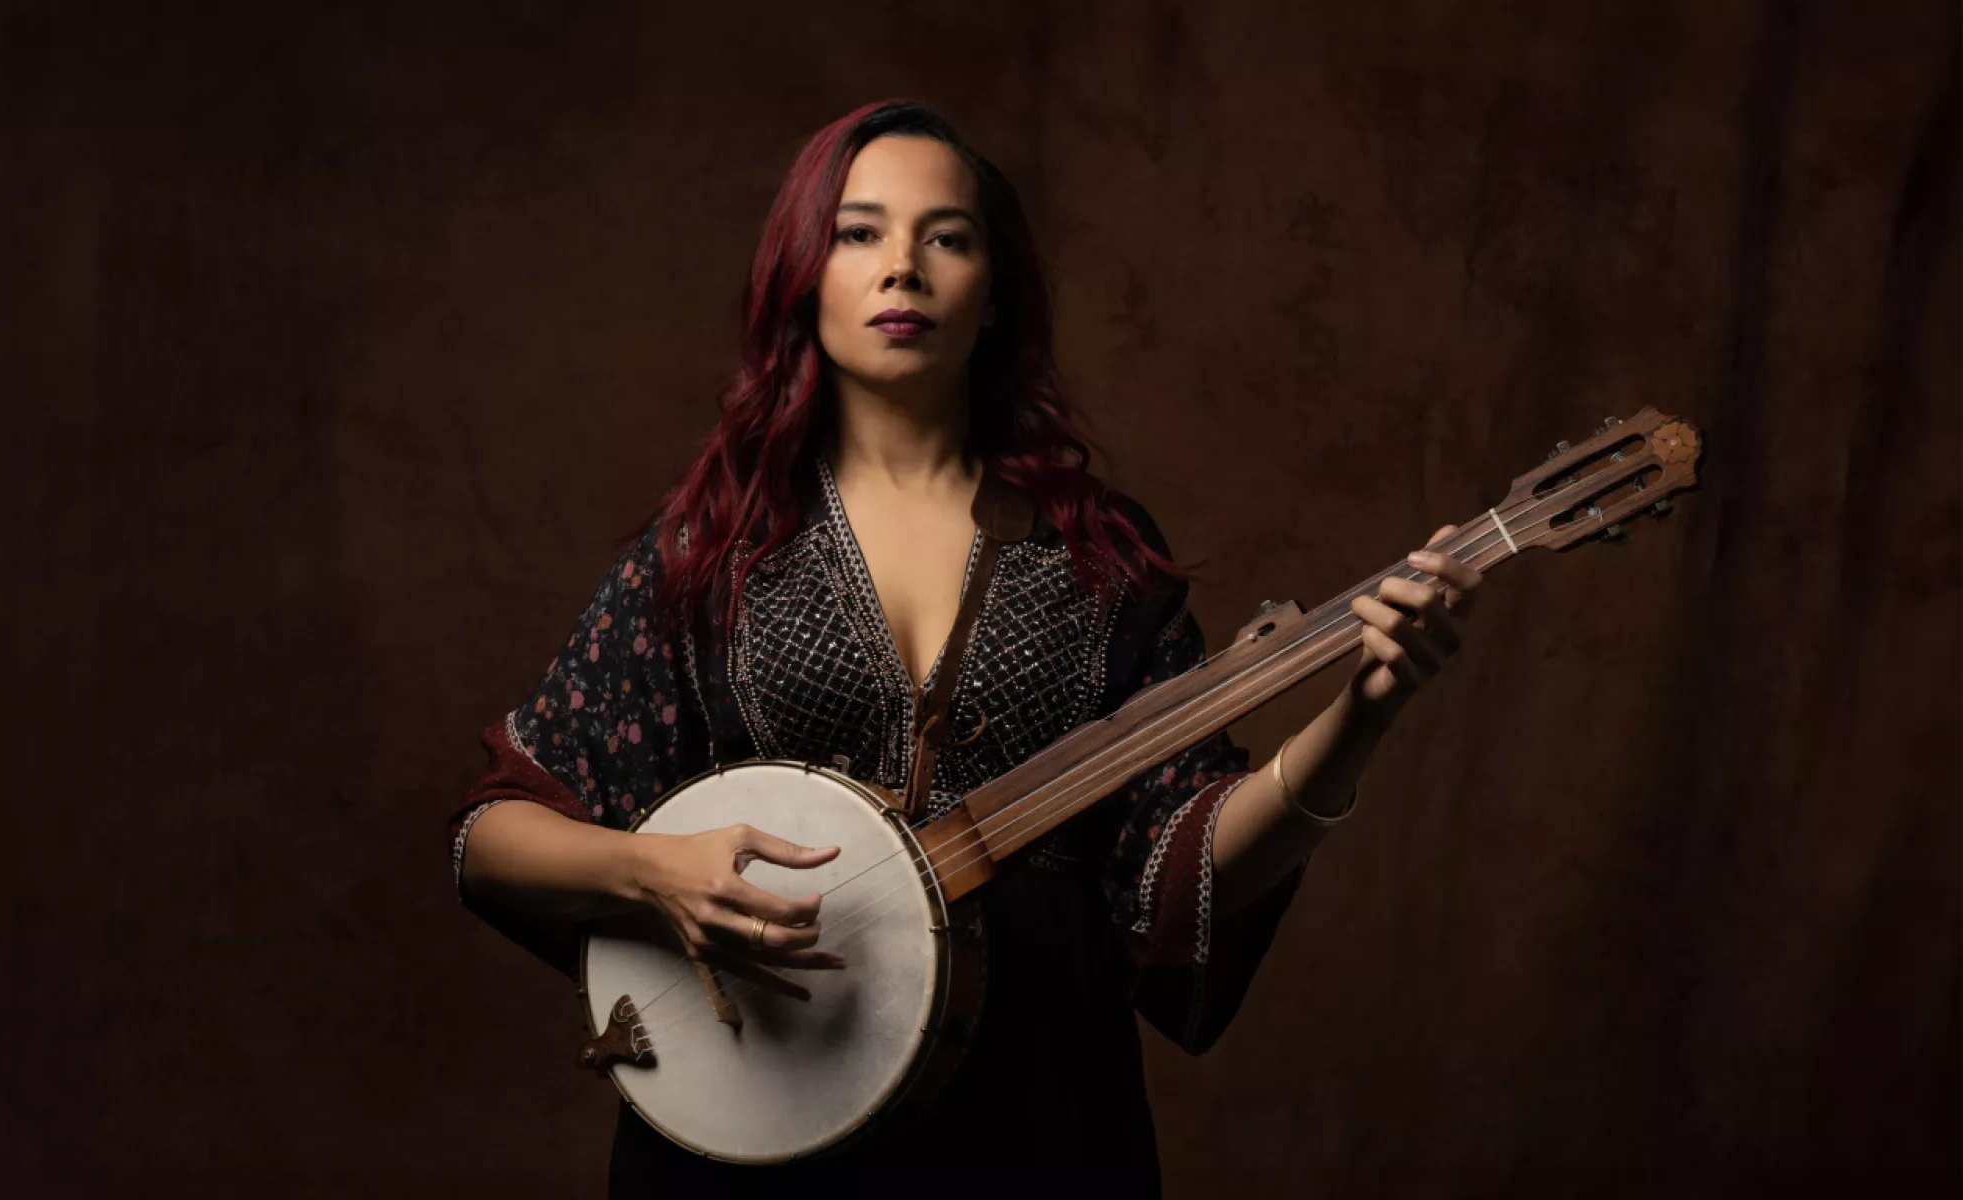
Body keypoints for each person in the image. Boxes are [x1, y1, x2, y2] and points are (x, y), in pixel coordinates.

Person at [445, 99, 1481, 1197]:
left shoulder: (1101, 556)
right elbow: (490, 837)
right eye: (858, 233)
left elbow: (1181, 871)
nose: (902, 267)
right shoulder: (713, 550)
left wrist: (1362, 714)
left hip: (1037, 1113)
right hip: (757, 1115)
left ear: (993, 294)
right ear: (804, 279)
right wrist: (653, 870)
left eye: (946, 236)